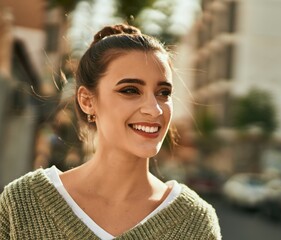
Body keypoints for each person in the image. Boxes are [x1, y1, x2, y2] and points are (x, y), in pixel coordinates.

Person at [0, 23, 221, 239]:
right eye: (130, 90)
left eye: (163, 93)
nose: (154, 109)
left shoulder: (196, 223)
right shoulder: (23, 203)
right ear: (87, 101)